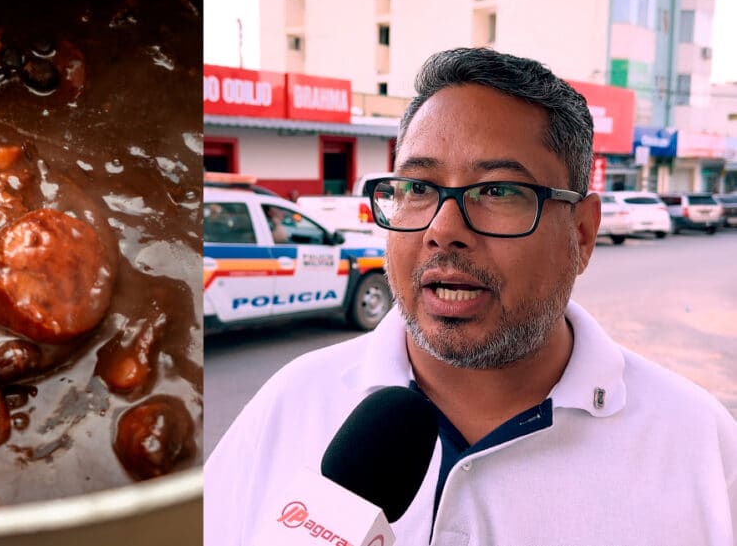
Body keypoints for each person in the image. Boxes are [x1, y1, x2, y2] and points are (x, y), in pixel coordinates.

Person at [203, 48, 737, 545]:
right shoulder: (291, 404)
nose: (443, 230)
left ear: (581, 233)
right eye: (418, 189)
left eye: (497, 191)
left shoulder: (699, 447)